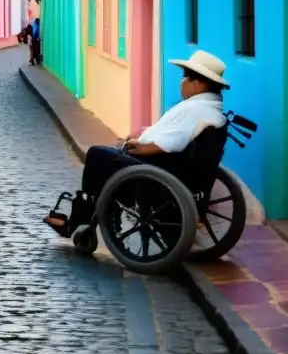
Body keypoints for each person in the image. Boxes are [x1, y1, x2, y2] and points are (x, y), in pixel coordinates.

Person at [44, 50, 230, 236]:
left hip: (160, 173)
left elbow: (167, 144)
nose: (181, 82)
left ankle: (81, 220)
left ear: (197, 84)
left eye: (185, 78)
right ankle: (104, 213)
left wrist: (139, 146)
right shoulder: (211, 111)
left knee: (97, 154)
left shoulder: (195, 110)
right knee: (111, 154)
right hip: (174, 170)